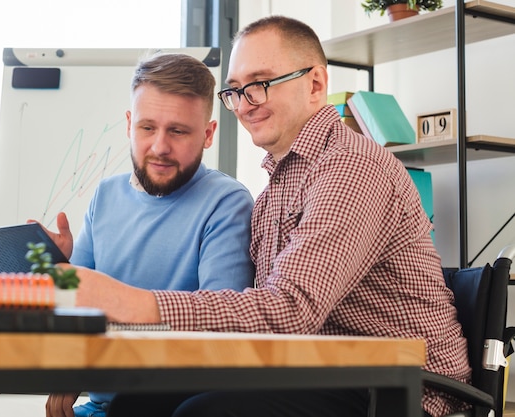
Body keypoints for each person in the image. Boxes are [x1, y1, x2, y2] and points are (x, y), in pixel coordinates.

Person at [48, 16, 471, 417]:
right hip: (322, 371)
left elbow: (290, 310)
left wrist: (135, 303)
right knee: (136, 405)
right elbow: (258, 312)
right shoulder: (276, 187)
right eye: (236, 90)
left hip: (402, 387)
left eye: (261, 84)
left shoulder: (350, 167)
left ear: (316, 84)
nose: (245, 104)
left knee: (207, 412)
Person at [43, 52, 255, 417]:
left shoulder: (228, 202)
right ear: (129, 124)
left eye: (177, 131)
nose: (159, 147)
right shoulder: (105, 195)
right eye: (147, 128)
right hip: (97, 406)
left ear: (207, 135)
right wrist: (57, 268)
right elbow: (77, 310)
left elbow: (221, 328)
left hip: (167, 406)